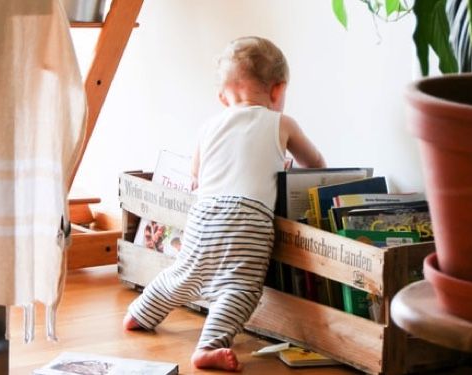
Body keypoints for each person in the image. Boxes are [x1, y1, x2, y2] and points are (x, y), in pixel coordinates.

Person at [123, 36, 326, 372]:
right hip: (249, 219)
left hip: (204, 214)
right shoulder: (282, 123)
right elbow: (316, 165)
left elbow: (196, 176)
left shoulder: (209, 126)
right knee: (240, 287)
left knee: (184, 274)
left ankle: (140, 313)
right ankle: (209, 345)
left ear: (223, 97)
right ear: (278, 90)